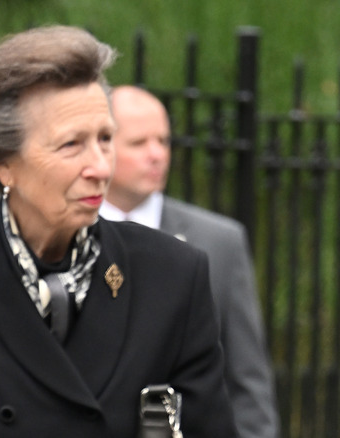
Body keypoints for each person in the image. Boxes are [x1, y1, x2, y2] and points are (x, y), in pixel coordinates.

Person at [0, 26, 237, 438]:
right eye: (71, 145)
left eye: (105, 139)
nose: (101, 168)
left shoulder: (174, 276)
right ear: (4, 163)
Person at [99, 85, 279, 438]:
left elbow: (248, 378)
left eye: (163, 141)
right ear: (101, 146)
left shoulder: (219, 241)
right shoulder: (67, 235)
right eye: (139, 143)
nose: (157, 155)